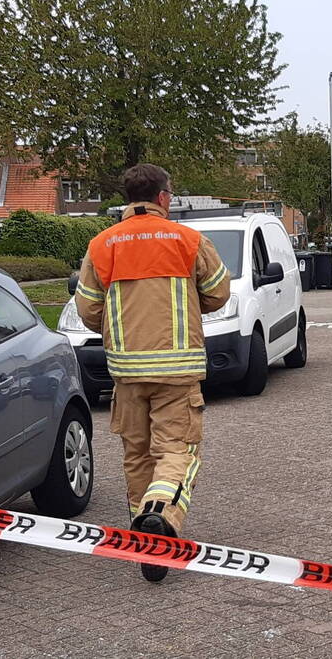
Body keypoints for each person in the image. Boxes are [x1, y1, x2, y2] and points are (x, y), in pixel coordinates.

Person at [74, 164, 231, 582]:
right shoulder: (188, 240)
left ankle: (146, 543)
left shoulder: (102, 245)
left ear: (129, 198)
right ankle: (160, 516)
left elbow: (88, 310)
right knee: (178, 451)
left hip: (126, 372)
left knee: (137, 455)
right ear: (163, 196)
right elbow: (218, 293)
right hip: (177, 371)